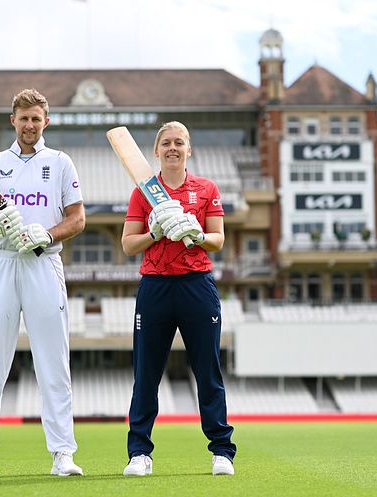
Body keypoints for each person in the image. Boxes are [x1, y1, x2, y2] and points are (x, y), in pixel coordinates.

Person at [0, 88, 86, 478]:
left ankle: (63, 454)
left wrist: (46, 235)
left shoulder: (61, 163)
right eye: (23, 118)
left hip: (43, 263)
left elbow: (78, 219)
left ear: (45, 121)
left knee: (53, 363)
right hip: (0, 263)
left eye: (36, 118)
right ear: (12, 120)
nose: (30, 125)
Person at [120, 121, 236, 477]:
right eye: (166, 143)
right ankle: (139, 453)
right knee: (146, 374)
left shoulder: (205, 189)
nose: (173, 148)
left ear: (190, 149)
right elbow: (128, 244)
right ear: (156, 151)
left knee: (207, 371)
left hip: (196, 284)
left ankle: (222, 452)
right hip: (155, 286)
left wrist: (195, 233)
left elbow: (218, 239)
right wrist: (155, 231)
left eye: (179, 142)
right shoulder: (144, 192)